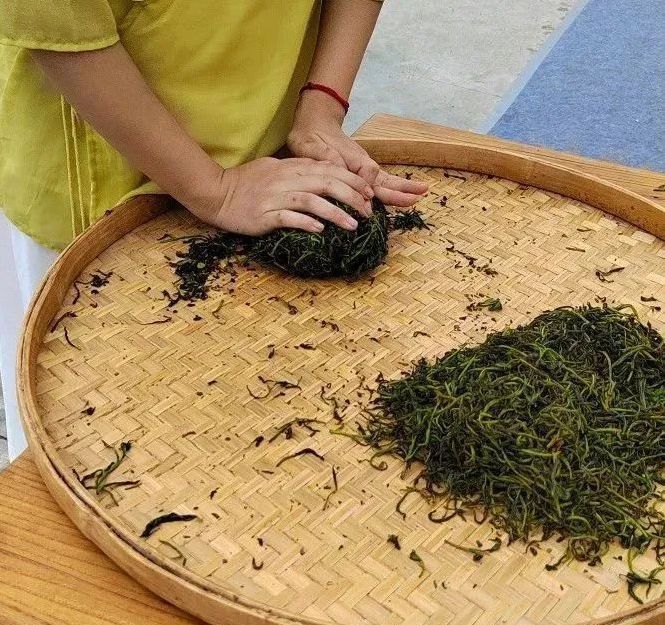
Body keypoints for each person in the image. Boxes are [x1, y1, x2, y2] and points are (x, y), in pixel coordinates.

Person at [0, 1, 428, 460]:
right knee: (92, 432)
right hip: (110, 162)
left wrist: (321, 105)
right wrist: (214, 190)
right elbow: (58, 23)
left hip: (271, 147)